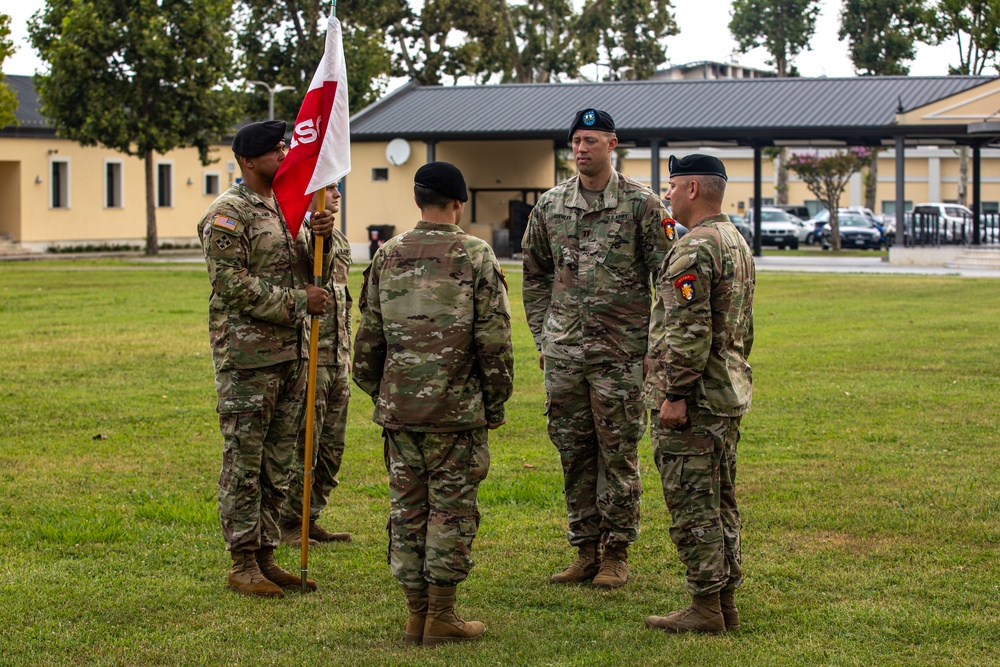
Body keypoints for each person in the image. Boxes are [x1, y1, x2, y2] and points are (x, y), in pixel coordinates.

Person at [353, 161, 514, 646]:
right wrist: (495, 399)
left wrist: (383, 390)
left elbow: (368, 339)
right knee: (452, 511)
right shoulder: (475, 254)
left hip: (400, 410)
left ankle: (415, 615)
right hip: (456, 412)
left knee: (407, 509)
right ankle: (440, 615)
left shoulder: (388, 254)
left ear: (418, 201)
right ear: (458, 203)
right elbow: (494, 340)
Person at [521, 108, 672, 589]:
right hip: (565, 354)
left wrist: (654, 346)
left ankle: (617, 553)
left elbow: (667, 279)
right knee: (574, 451)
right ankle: (584, 550)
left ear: (613, 144)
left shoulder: (642, 205)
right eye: (576, 141)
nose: (582, 148)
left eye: (591, 140)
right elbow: (535, 275)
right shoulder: (550, 205)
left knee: (619, 452)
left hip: (621, 355)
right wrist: (544, 334)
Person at [197, 120, 334, 598]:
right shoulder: (227, 215)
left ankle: (266, 554)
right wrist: (299, 303)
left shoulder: (282, 207)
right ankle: (241, 561)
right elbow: (232, 286)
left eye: (284, 147)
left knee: (278, 462)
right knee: (245, 462)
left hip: (289, 355)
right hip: (247, 360)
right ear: (248, 161)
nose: (284, 156)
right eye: (275, 151)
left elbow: (311, 266)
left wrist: (323, 235)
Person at [644, 154, 755, 634]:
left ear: (692, 189)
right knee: (720, 497)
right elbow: (742, 328)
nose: (666, 195)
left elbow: (688, 333)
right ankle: (723, 601)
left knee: (693, 504)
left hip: (697, 400)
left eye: (671, 187)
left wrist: (675, 394)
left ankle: (706, 606)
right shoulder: (734, 240)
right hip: (725, 391)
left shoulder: (695, 248)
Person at [279, 186, 354, 548]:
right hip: (311, 355)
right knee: (304, 444)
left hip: (339, 356)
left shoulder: (335, 236)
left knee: (331, 447)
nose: (335, 192)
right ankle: (290, 520)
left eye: (336, 185)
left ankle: (311, 515)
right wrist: (315, 235)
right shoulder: (292, 233)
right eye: (326, 187)